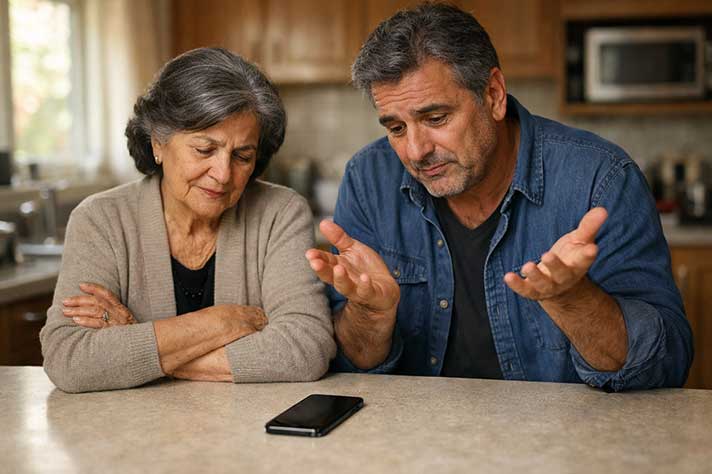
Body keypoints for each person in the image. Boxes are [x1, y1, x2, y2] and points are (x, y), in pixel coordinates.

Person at [305, 3, 693, 391]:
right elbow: (352, 365)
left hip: (566, 440)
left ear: (493, 95)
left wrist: (573, 300)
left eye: (436, 119)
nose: (415, 150)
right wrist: (370, 315)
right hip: (413, 441)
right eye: (396, 128)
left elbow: (667, 365)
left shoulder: (601, 178)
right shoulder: (369, 178)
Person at [41, 47, 336, 393]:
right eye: (204, 150)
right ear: (158, 143)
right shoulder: (100, 219)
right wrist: (220, 322)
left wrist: (138, 342)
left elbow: (305, 349)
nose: (223, 174)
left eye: (243, 156)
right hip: (137, 435)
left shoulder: (281, 213)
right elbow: (70, 360)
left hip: (253, 432)